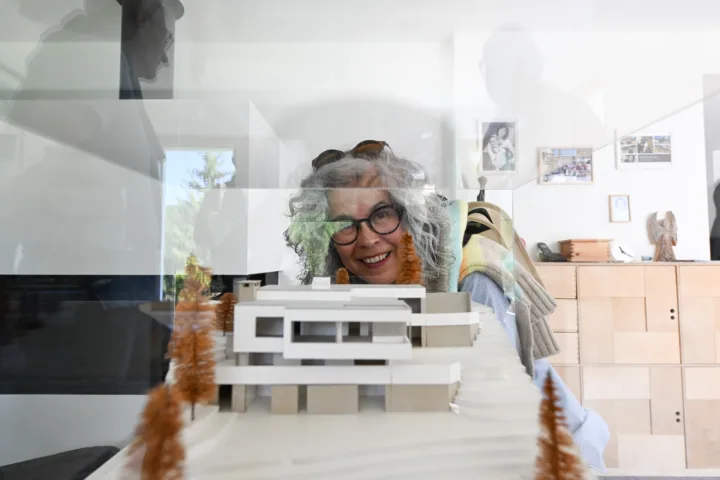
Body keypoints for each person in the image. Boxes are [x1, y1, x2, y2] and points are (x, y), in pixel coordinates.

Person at [285, 141, 610, 472]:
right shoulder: (350, 291)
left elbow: (483, 419)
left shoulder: (472, 284)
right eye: (343, 225)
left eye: (382, 215)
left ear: (410, 213)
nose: (367, 239)